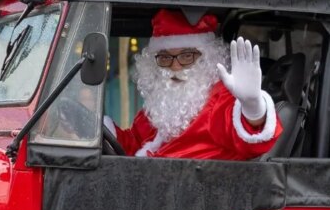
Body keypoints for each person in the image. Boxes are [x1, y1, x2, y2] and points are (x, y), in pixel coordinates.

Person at [105, 9, 281, 160]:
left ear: (207, 59)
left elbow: (252, 141)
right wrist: (95, 126)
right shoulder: (161, 104)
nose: (174, 66)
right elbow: (132, 144)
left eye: (187, 56)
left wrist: (252, 106)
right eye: (165, 57)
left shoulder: (220, 101)